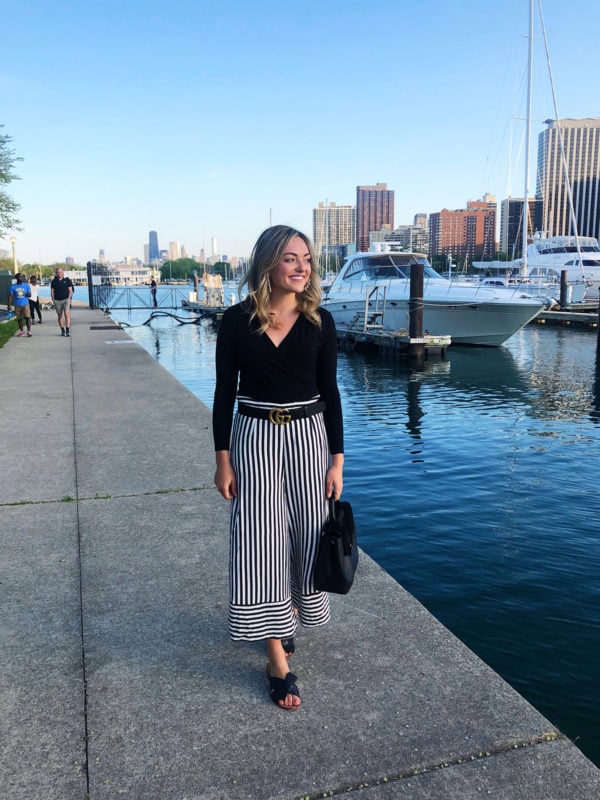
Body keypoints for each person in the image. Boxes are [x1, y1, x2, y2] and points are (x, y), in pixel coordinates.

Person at [213, 225, 344, 711]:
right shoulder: (235, 321)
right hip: (254, 436)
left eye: (306, 259)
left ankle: (285, 618)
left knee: (307, 535)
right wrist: (222, 460)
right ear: (268, 263)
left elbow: (331, 394)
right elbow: (224, 393)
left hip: (310, 437)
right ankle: (275, 657)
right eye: (291, 258)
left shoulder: (320, 322)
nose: (302, 267)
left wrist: (337, 461)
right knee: (259, 540)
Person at [7, 273, 32, 337]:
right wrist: (9, 305)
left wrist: (28, 294)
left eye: (22, 277)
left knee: (27, 318)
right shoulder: (13, 287)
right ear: (17, 278)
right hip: (17, 305)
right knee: (19, 319)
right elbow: (10, 296)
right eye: (19, 277)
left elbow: (30, 294)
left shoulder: (26, 285)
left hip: (25, 304)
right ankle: (22, 332)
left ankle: (29, 331)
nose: (21, 278)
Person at [50, 267, 74, 337]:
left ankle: (67, 330)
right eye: (58, 272)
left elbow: (70, 290)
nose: (59, 273)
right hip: (57, 300)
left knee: (66, 314)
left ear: (63, 273)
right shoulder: (54, 281)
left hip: (66, 300)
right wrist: (53, 300)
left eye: (60, 272)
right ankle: (62, 330)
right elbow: (52, 291)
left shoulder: (67, 280)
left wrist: (69, 298)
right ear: (56, 273)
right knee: (60, 316)